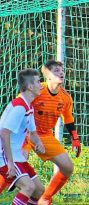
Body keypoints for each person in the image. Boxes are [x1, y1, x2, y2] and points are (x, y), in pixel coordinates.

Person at [22, 60, 81, 205]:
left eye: (62, 70)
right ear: (47, 76)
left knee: (68, 167)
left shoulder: (65, 97)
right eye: (56, 71)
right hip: (25, 132)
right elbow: (19, 109)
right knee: (17, 163)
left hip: (45, 135)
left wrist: (75, 138)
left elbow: (68, 118)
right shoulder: (35, 90)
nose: (61, 73)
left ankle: (45, 198)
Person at [0, 68, 46, 205]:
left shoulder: (28, 107)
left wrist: (39, 143)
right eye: (38, 82)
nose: (41, 85)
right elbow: (4, 132)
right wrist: (10, 162)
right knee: (28, 187)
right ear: (30, 86)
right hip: (5, 156)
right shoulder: (19, 107)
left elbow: (32, 133)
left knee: (39, 190)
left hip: (16, 156)